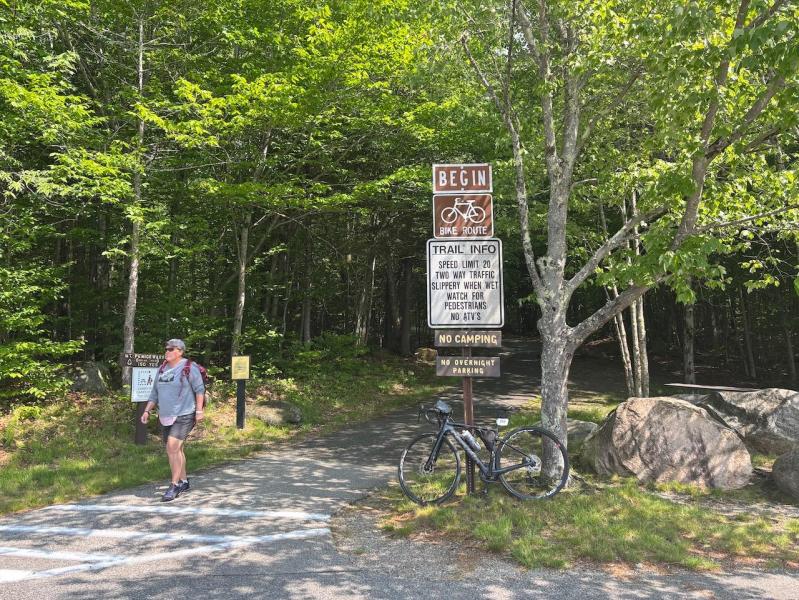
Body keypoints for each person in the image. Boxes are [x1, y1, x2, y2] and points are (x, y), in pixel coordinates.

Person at [140, 339, 205, 502]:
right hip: (166, 415)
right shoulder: (162, 369)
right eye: (166, 349)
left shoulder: (189, 367)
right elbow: (154, 393)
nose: (167, 351)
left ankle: (174, 485)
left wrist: (199, 411)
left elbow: (199, 390)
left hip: (185, 414)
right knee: (177, 450)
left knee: (171, 448)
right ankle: (184, 481)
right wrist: (147, 410)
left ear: (180, 352)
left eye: (171, 349)